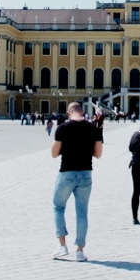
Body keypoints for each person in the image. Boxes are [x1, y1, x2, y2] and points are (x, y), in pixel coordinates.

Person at [50, 102, 103, 261]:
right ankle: (80, 251)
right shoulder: (93, 128)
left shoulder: (63, 128)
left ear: (69, 112)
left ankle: (62, 246)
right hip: (86, 173)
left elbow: (54, 153)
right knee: (82, 212)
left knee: (58, 207)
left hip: (67, 172)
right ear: (82, 112)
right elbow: (98, 154)